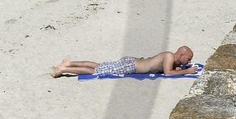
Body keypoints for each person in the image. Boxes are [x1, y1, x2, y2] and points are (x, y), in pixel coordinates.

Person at [52, 46, 199, 78]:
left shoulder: (171, 59)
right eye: (188, 58)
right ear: (181, 55)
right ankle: (64, 69)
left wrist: (179, 69)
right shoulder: (169, 56)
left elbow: (168, 69)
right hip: (130, 66)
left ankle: (69, 63)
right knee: (96, 70)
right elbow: (167, 73)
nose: (189, 61)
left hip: (131, 62)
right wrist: (187, 71)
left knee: (99, 65)